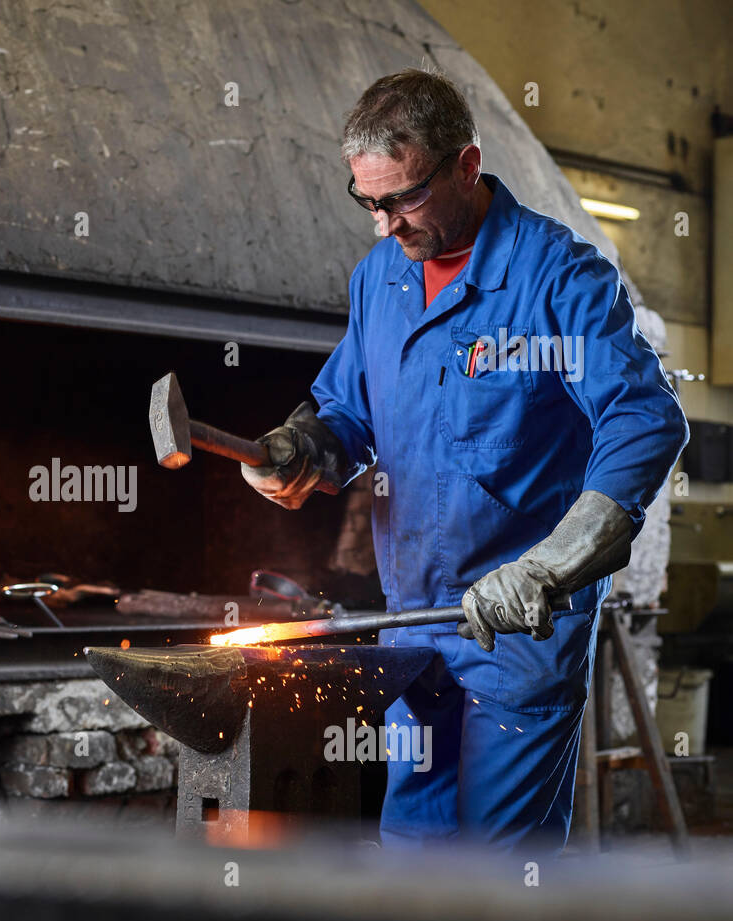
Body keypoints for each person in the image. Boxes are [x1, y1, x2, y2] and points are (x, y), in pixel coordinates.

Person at [242, 68, 688, 854]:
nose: (385, 226)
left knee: (496, 875)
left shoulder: (558, 277)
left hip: (517, 635)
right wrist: (304, 448)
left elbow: (645, 418)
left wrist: (551, 567)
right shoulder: (379, 278)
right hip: (413, 632)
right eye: (368, 202)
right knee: (412, 859)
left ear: (466, 166)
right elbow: (350, 412)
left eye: (403, 199)